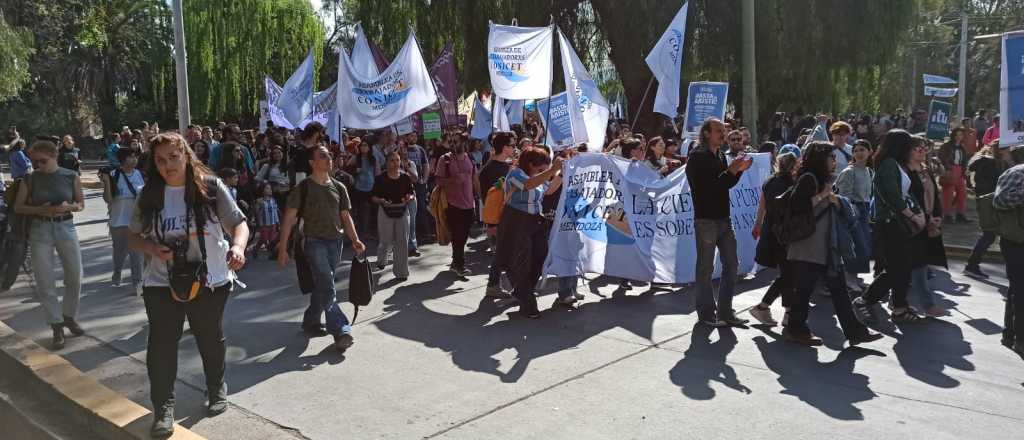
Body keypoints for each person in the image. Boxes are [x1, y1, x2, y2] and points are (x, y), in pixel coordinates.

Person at [127, 132, 248, 437]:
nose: (167, 165)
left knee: (210, 337)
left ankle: (215, 387)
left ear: (186, 155)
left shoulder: (209, 186)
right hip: (161, 281)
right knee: (161, 345)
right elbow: (132, 236)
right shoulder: (149, 194)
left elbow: (239, 223)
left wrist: (238, 247)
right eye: (159, 160)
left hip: (209, 280)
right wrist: (154, 249)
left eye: (173, 157)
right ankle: (163, 408)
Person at [779, 142, 883, 346]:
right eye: (830, 157)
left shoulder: (824, 179)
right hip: (810, 245)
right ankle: (796, 329)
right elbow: (798, 206)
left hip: (826, 245)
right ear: (820, 159)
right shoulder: (808, 179)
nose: (834, 161)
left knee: (839, 291)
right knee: (804, 290)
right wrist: (823, 195)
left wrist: (834, 199)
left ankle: (855, 331)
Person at [278, 145, 366, 345]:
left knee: (323, 283)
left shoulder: (339, 186)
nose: (329, 159)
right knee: (327, 285)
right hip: (313, 242)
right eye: (323, 156)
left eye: (330, 156)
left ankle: (310, 321)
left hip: (336, 242)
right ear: (312, 162)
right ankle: (341, 330)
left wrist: (355, 239)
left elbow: (345, 216)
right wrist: (283, 249)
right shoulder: (303, 188)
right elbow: (289, 219)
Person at [13, 139, 86, 350]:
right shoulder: (30, 178)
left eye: (41, 161)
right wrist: (40, 210)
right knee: (45, 281)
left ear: (53, 156)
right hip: (40, 229)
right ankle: (56, 326)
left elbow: (80, 204)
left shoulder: (70, 176)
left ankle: (69, 316)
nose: (37, 165)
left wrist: (68, 206)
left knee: (75, 276)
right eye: (34, 161)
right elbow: (19, 207)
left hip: (65, 227)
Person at [854, 130, 928, 324]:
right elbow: (893, 196)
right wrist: (914, 216)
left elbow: (905, 194)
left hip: (898, 222)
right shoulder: (888, 165)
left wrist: (918, 212)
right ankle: (866, 300)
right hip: (890, 223)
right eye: (910, 146)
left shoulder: (897, 165)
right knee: (897, 268)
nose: (913, 149)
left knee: (903, 267)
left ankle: (899, 306)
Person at [684, 118, 752, 327]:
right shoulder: (698, 157)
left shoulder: (720, 155)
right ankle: (706, 314)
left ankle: (725, 312)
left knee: (732, 264)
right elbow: (710, 188)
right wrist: (732, 170)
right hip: (706, 220)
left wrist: (738, 170)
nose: (723, 134)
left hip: (724, 217)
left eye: (724, 130)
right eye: (718, 131)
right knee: (705, 268)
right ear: (706, 133)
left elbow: (726, 184)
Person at [494, 147, 563, 318]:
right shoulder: (514, 175)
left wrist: (561, 172)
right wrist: (552, 170)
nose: (544, 172)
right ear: (531, 164)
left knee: (541, 257)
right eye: (541, 169)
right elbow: (527, 185)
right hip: (516, 221)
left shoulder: (540, 176)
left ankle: (522, 291)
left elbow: (548, 190)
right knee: (521, 262)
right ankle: (528, 304)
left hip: (535, 221)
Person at [749, 152, 799, 325]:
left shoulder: (769, 181)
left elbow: (761, 206)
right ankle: (765, 307)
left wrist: (758, 225)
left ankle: (786, 312)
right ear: (794, 166)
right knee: (788, 273)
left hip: (771, 231)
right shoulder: (792, 183)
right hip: (784, 234)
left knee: (788, 273)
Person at [907, 136, 948, 317]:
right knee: (917, 264)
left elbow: (935, 195)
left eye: (924, 148)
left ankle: (895, 299)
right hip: (913, 222)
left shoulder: (926, 170)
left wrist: (937, 216)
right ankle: (927, 304)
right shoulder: (905, 171)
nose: (922, 151)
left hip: (929, 220)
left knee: (918, 263)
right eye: (918, 148)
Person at [992, 145, 1024, 358]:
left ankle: (1010, 333)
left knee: (1017, 288)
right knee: (1020, 289)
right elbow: (1000, 201)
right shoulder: (1016, 173)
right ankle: (1019, 338)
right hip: (1017, 240)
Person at [434, 134, 480, 276]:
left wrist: (479, 195)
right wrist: (453, 180)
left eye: (456, 141)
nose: (453, 144)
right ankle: (459, 264)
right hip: (452, 204)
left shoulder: (470, 158)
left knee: (464, 235)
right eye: (451, 141)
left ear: (464, 143)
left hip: (469, 203)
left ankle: (456, 261)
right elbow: (438, 180)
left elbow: (475, 178)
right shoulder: (445, 159)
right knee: (458, 234)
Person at [102, 148, 145, 294]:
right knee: (120, 251)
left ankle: (137, 281)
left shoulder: (139, 174)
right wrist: (106, 181)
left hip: (135, 220)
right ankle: (117, 271)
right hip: (118, 220)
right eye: (130, 157)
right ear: (122, 160)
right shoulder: (114, 175)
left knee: (136, 252)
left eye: (135, 157)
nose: (134, 160)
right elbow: (108, 198)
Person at [964, 142, 1009, 278]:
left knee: (993, 235)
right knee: (990, 234)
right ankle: (972, 265)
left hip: (988, 200)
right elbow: (993, 183)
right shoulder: (991, 163)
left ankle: (972, 265)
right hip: (990, 201)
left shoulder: (989, 161)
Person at [834, 139, 874, 289]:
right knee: (854, 245)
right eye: (856, 150)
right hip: (853, 210)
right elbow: (844, 196)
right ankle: (849, 279)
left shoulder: (869, 171)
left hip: (864, 210)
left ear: (870, 152)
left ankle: (855, 277)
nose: (859, 153)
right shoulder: (849, 171)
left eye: (862, 149)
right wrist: (852, 214)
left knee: (863, 245)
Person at [481, 133, 515, 298]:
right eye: (512, 145)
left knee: (504, 253)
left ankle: (510, 285)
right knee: (502, 254)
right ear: (504, 147)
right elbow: (488, 198)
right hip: (496, 220)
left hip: (508, 217)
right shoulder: (491, 169)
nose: (514, 148)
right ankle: (495, 285)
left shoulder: (508, 166)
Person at [371, 152, 415, 281]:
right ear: (386, 162)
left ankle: (401, 272)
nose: (395, 163)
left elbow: (412, 193)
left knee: (402, 241)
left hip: (402, 211)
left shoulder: (405, 178)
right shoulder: (380, 179)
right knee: (386, 240)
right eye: (392, 160)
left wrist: (409, 198)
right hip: (385, 211)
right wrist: (382, 201)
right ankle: (382, 259)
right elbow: (373, 197)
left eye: (397, 160)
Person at [346, 140, 379, 237]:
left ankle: (367, 231)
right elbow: (347, 166)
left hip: (370, 187)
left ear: (369, 147)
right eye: (362, 145)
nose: (363, 147)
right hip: (359, 188)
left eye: (365, 145)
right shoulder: (356, 157)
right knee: (360, 211)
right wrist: (355, 171)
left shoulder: (373, 158)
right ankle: (360, 232)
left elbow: (377, 173)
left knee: (369, 211)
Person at [939, 127, 970, 223]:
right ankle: (947, 215)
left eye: (961, 135)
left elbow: (964, 160)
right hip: (950, 169)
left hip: (960, 170)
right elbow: (942, 158)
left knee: (962, 193)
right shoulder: (946, 146)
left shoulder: (962, 147)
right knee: (948, 194)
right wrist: (946, 169)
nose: (959, 137)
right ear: (953, 135)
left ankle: (960, 214)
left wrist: (965, 170)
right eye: (957, 135)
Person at [251, 182, 280, 259]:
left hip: (273, 223)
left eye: (270, 188)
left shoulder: (273, 200)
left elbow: (275, 212)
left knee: (271, 239)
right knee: (264, 238)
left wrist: (277, 222)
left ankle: (271, 254)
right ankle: (256, 249)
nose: (270, 190)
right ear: (262, 190)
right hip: (263, 224)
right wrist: (258, 222)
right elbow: (256, 213)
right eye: (267, 188)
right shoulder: (259, 201)